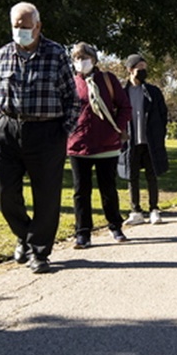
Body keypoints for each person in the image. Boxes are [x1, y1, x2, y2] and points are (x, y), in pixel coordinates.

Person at [0, 2, 79, 276]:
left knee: (46, 196)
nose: (20, 32)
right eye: (16, 27)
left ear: (38, 26)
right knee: (5, 194)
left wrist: (64, 130)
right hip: (6, 130)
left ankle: (39, 252)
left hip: (46, 132)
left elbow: (72, 99)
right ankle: (25, 234)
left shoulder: (56, 53)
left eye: (25, 27)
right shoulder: (3, 54)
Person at [67, 43, 131, 249]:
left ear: (94, 59)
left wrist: (117, 128)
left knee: (108, 188)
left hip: (106, 144)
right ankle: (83, 232)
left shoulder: (108, 80)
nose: (80, 61)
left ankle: (115, 226)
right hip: (78, 146)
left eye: (84, 57)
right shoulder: (69, 82)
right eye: (76, 57)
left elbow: (125, 106)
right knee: (80, 191)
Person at [120, 54, 169, 226]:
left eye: (144, 67)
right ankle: (135, 211)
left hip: (150, 140)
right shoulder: (121, 93)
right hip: (130, 141)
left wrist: (160, 133)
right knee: (131, 177)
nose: (143, 71)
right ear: (130, 69)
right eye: (139, 67)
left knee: (152, 175)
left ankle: (154, 209)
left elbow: (163, 115)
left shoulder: (153, 92)